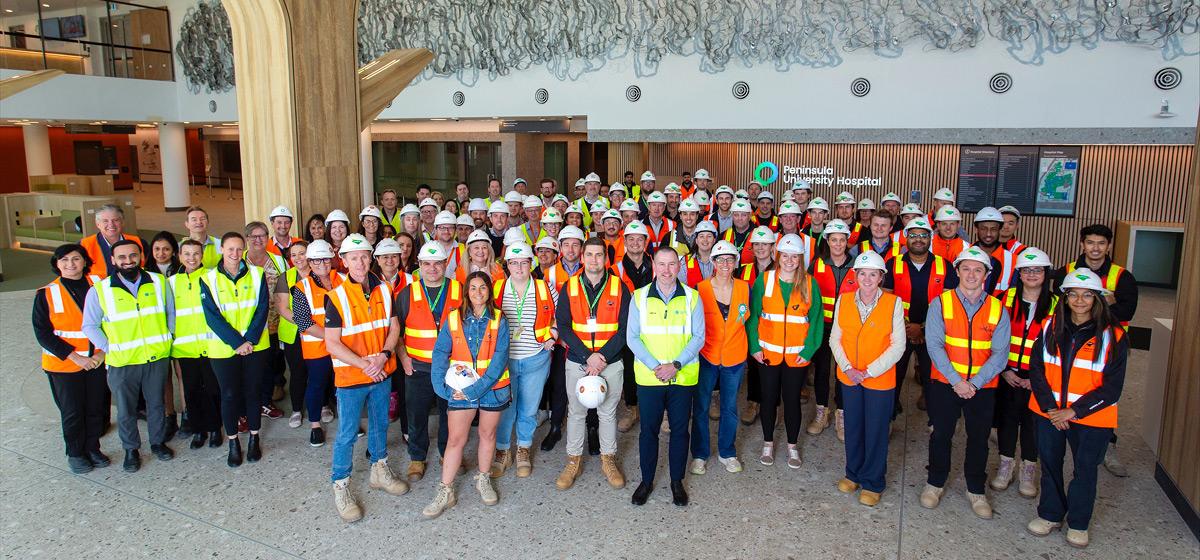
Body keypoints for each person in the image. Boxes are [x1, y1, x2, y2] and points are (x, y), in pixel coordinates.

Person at [1025, 267, 1128, 549]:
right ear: (1065, 297)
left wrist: (1073, 411)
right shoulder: (1049, 327)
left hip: (1092, 417)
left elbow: (1112, 387)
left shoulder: (1115, 335)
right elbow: (1036, 370)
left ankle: (1079, 523)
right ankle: (1050, 514)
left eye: (1087, 295)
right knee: (1050, 464)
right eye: (1073, 294)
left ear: (1098, 299)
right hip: (1048, 412)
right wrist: (1051, 407)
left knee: (1085, 470)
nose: (1079, 300)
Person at [324, 233, 409, 523]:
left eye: (363, 256)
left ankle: (379, 469)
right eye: (353, 258)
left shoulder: (385, 290)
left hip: (381, 371)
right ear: (344, 261)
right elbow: (332, 343)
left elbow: (394, 328)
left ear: (370, 258)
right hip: (351, 376)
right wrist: (365, 364)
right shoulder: (335, 297)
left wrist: (384, 356)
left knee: (380, 423)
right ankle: (341, 486)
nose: (359, 262)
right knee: (347, 433)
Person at [921, 247, 1011, 519]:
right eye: (966, 269)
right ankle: (935, 483)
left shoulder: (997, 308)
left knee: (979, 439)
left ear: (986, 275)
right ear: (957, 271)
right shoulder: (941, 303)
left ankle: (976, 489)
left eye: (978, 269)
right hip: (945, 384)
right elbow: (934, 346)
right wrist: (957, 381)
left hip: (982, 388)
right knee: (941, 435)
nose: (971, 274)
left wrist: (974, 383)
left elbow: (1000, 353)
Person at [423, 272, 512, 518]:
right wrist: (442, 388)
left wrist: (474, 390)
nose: (478, 293)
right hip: (460, 392)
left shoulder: (499, 319)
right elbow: (440, 352)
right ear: (466, 292)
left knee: (487, 434)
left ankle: (483, 479)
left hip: (491, 390)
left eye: (483, 288)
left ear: (489, 291)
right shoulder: (453, 318)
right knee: (455, 440)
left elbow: (499, 360)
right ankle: (446, 490)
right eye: (473, 288)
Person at [81, 239, 175, 472]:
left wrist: (168, 338)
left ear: (140, 257)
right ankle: (131, 449)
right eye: (122, 257)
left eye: (132, 256)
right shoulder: (100, 290)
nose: (128, 261)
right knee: (126, 409)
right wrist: (110, 348)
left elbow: (170, 313)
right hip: (123, 362)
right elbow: (90, 325)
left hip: (155, 357)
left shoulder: (158, 282)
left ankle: (157, 442)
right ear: (113, 261)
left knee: (156, 404)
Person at [1052, 223, 1137, 478]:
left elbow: (1127, 311)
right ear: (1082, 244)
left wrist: (1091, 309)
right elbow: (1061, 306)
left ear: (1108, 246)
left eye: (1101, 243)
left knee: (1105, 393)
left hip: (1107, 344)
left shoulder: (1122, 277)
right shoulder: (1066, 271)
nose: (1096, 248)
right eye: (1091, 243)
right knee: (1065, 385)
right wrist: (1103, 300)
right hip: (1070, 340)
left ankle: (1107, 445)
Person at [627, 247, 706, 507]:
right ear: (654, 265)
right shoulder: (638, 298)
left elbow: (698, 337)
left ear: (679, 266)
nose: (666, 270)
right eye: (661, 264)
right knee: (648, 431)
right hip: (650, 379)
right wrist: (655, 366)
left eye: (672, 264)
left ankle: (676, 481)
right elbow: (633, 338)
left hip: (681, 378)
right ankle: (646, 481)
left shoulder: (693, 298)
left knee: (680, 431)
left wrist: (674, 365)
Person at [552, 237, 631, 490]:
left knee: (608, 413)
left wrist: (602, 357)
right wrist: (588, 356)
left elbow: (625, 328)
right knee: (576, 413)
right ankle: (573, 460)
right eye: (590, 255)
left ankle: (608, 459)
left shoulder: (620, 287)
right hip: (578, 361)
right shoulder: (570, 286)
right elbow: (563, 326)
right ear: (582, 257)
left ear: (606, 259)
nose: (594, 260)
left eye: (599, 255)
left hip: (610, 362)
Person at [829, 252, 906, 506]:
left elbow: (898, 346)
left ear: (881, 277)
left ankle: (873, 482)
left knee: (876, 430)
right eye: (863, 273)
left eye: (873, 274)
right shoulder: (844, 300)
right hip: (850, 376)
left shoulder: (894, 303)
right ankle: (853, 474)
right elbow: (835, 339)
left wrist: (869, 371)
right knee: (853, 427)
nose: (868, 279)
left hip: (879, 380)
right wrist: (849, 368)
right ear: (855, 276)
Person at [748, 234, 824, 468]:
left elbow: (817, 319)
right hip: (767, 354)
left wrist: (809, 350)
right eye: (785, 256)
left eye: (795, 256)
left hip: (797, 355)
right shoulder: (765, 279)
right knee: (769, 399)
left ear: (801, 259)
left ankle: (792, 447)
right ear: (777, 256)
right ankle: (768, 443)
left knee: (792, 401)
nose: (790, 261)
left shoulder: (810, 283)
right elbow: (753, 317)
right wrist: (754, 347)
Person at [34, 244, 109, 473]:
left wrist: (102, 353)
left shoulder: (100, 284)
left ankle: (93, 447)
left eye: (76, 259)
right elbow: (42, 333)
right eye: (64, 260)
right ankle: (76, 453)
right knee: (72, 410)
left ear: (85, 261)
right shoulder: (47, 293)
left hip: (97, 360)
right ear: (56, 264)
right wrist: (77, 358)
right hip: (64, 365)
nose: (70, 264)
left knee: (96, 407)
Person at [200, 232, 271, 468]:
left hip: (256, 346)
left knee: (253, 392)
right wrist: (237, 343)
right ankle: (233, 442)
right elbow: (212, 317)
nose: (235, 254)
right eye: (230, 249)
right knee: (229, 394)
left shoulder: (257, 274)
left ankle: (254, 437)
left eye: (239, 249)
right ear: (222, 249)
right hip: (224, 349)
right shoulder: (208, 279)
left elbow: (262, 309)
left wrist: (249, 340)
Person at [992, 247, 1057, 498]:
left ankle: (1029, 469)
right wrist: (1006, 369)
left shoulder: (1056, 304)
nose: (1031, 274)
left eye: (1037, 270)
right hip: (1008, 373)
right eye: (1026, 270)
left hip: (1039, 379)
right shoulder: (1004, 298)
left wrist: (1037, 378)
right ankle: (1006, 465)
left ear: (1045, 273)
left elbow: (1060, 346)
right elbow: (993, 337)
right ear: (1018, 273)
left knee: (1032, 424)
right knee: (1008, 421)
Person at [490, 242, 558, 478]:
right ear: (507, 265)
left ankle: (523, 448)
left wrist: (553, 335)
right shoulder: (497, 288)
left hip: (535, 359)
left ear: (532, 263)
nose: (519, 267)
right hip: (504, 361)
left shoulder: (545, 288)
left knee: (528, 408)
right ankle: (502, 451)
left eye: (524, 262)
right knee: (506, 408)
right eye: (514, 262)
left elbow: (559, 318)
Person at [396, 241, 463, 482]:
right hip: (417, 368)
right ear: (419, 266)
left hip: (451, 368)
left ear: (446, 265)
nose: (432, 268)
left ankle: (447, 453)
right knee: (416, 414)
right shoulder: (407, 294)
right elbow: (396, 332)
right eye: (427, 264)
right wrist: (403, 359)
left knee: (450, 414)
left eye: (437, 263)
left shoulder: (459, 290)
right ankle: (417, 457)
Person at [883, 217, 957, 415]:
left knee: (932, 379)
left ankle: (934, 421)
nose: (918, 239)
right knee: (893, 376)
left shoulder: (945, 266)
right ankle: (889, 415)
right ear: (906, 238)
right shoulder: (892, 263)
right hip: (900, 332)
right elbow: (886, 301)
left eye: (923, 235)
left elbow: (949, 305)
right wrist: (908, 328)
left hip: (933, 334)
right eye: (913, 235)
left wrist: (922, 328)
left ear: (930, 238)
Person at [690, 241, 750, 475]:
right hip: (707, 355)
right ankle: (700, 453)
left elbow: (749, 320)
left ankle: (727, 452)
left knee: (729, 407)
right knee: (702, 406)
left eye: (730, 259)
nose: (725, 264)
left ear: (736, 262)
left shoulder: (745, 288)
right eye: (720, 259)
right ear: (713, 262)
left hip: (734, 357)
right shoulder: (700, 289)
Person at [290, 240, 344, 446]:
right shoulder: (302, 288)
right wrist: (333, 338)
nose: (321, 263)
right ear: (309, 262)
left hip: (343, 346)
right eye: (316, 260)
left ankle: (349, 422)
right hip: (318, 347)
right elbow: (304, 323)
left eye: (325, 259)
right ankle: (315, 425)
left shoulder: (344, 280)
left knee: (344, 385)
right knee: (317, 385)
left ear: (332, 259)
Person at [808, 220, 858, 439]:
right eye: (833, 239)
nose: (838, 244)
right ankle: (821, 412)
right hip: (822, 327)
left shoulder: (858, 266)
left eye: (842, 240)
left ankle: (842, 414)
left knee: (842, 373)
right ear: (827, 241)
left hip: (847, 330)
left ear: (847, 241)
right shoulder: (816, 264)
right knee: (821, 372)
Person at [172, 240, 222, 449]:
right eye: (187, 254)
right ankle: (198, 430)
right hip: (185, 348)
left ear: (202, 255)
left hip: (210, 345)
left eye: (196, 254)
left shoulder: (212, 277)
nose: (191, 258)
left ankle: (215, 428)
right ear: (180, 256)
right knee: (191, 391)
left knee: (212, 389)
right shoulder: (172, 282)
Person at [613, 221, 655, 434]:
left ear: (646, 242)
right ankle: (632, 408)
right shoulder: (615, 270)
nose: (636, 243)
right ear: (625, 242)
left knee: (655, 363)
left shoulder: (657, 265)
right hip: (626, 326)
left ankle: (659, 410)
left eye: (640, 239)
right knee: (629, 367)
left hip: (654, 325)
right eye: (631, 239)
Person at [243, 221, 288, 419]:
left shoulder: (278, 261)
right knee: (249, 369)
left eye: (262, 235)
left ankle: (265, 402)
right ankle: (248, 405)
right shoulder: (239, 262)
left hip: (274, 324)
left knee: (270, 364)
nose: (258, 240)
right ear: (247, 239)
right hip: (248, 327)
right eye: (254, 236)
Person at [737, 226, 776, 426]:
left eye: (765, 244)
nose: (761, 248)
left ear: (772, 247)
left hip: (774, 328)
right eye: (757, 244)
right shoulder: (744, 270)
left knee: (772, 368)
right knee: (753, 366)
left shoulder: (781, 270)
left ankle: (772, 405)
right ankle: (752, 402)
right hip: (751, 327)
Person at [275, 241, 311, 429]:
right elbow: (282, 307)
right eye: (294, 255)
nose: (298, 258)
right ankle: (297, 409)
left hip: (317, 332)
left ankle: (322, 406)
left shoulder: (319, 274)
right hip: (294, 333)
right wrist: (305, 325)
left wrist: (313, 328)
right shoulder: (285, 277)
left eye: (302, 253)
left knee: (318, 371)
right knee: (297, 372)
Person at [79, 204, 144, 278]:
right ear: (98, 224)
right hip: (97, 288)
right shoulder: (84, 245)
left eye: (115, 220)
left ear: (122, 222)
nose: (111, 224)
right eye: (105, 221)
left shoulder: (138, 242)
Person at [721, 199, 755, 264]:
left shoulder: (758, 236)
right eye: (736, 215)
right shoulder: (723, 235)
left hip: (751, 274)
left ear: (750, 216)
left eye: (743, 215)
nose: (740, 218)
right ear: (732, 216)